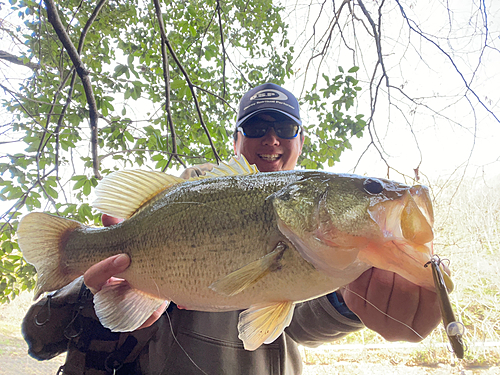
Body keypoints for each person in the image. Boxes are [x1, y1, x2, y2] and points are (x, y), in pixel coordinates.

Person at [22, 83, 441, 374]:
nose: (271, 139)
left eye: (285, 128)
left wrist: (358, 302)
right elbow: (36, 337)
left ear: (300, 142)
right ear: (236, 140)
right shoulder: (184, 196)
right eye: (257, 128)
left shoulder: (336, 254)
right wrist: (94, 294)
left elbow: (301, 322)